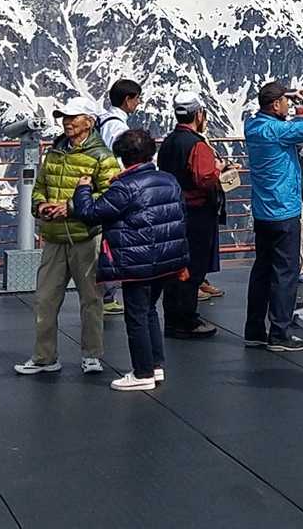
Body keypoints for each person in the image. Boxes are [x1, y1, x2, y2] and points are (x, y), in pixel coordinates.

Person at [72, 129, 188, 391]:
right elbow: (180, 214)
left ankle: (142, 372)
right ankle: (155, 365)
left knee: (136, 316)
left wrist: (83, 189)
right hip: (166, 257)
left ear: (123, 157)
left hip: (136, 261)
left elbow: (90, 213)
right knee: (149, 311)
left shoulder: (125, 187)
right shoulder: (168, 180)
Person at [15, 97, 119, 377]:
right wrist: (40, 205)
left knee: (91, 300)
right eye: (64, 117)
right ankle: (44, 357)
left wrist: (70, 208)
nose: (67, 122)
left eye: (73, 117)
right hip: (55, 237)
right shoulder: (54, 153)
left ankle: (91, 355)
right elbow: (40, 186)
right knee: (44, 299)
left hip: (86, 237)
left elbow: (111, 196)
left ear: (89, 121)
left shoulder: (103, 157)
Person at [241, 81, 303, 353]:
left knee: (262, 270)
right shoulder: (279, 131)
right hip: (285, 211)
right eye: (285, 102)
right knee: (285, 273)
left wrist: (286, 95)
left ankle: (254, 329)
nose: (288, 105)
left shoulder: (252, 126)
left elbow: (265, 110)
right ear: (275, 104)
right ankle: (279, 332)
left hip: (262, 212)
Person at [159, 93, 228, 339]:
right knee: (194, 267)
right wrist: (219, 170)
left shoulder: (168, 142)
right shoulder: (197, 145)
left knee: (175, 267)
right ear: (199, 114)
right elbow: (204, 179)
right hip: (197, 213)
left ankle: (172, 318)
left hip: (172, 210)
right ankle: (187, 320)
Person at [96, 79, 142, 317]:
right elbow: (122, 159)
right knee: (113, 241)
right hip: (114, 188)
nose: (139, 103)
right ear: (128, 100)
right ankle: (106, 294)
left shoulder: (103, 120)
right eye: (137, 98)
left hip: (102, 188)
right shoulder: (117, 127)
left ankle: (106, 293)